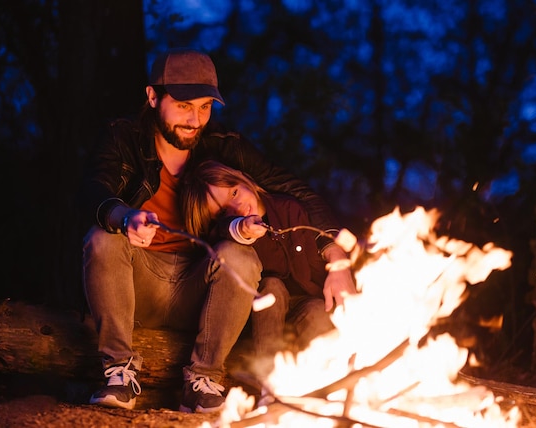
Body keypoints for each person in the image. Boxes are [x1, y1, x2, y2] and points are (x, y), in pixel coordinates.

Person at [79, 48, 355, 413]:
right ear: (152, 97)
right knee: (102, 238)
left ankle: (203, 380)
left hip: (202, 290)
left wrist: (336, 256)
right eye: (183, 106)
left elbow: (297, 191)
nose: (195, 120)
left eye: (205, 107)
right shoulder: (123, 139)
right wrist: (125, 216)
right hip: (137, 282)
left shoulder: (224, 147)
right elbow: (95, 191)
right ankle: (120, 372)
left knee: (239, 255)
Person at [180, 160, 355, 374]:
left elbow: (315, 267)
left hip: (304, 304)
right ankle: (269, 381)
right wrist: (240, 228)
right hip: (262, 314)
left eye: (234, 193)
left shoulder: (289, 208)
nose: (237, 207)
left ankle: (318, 386)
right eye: (224, 212)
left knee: (319, 311)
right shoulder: (229, 234)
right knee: (272, 285)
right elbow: (224, 231)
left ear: (243, 180)